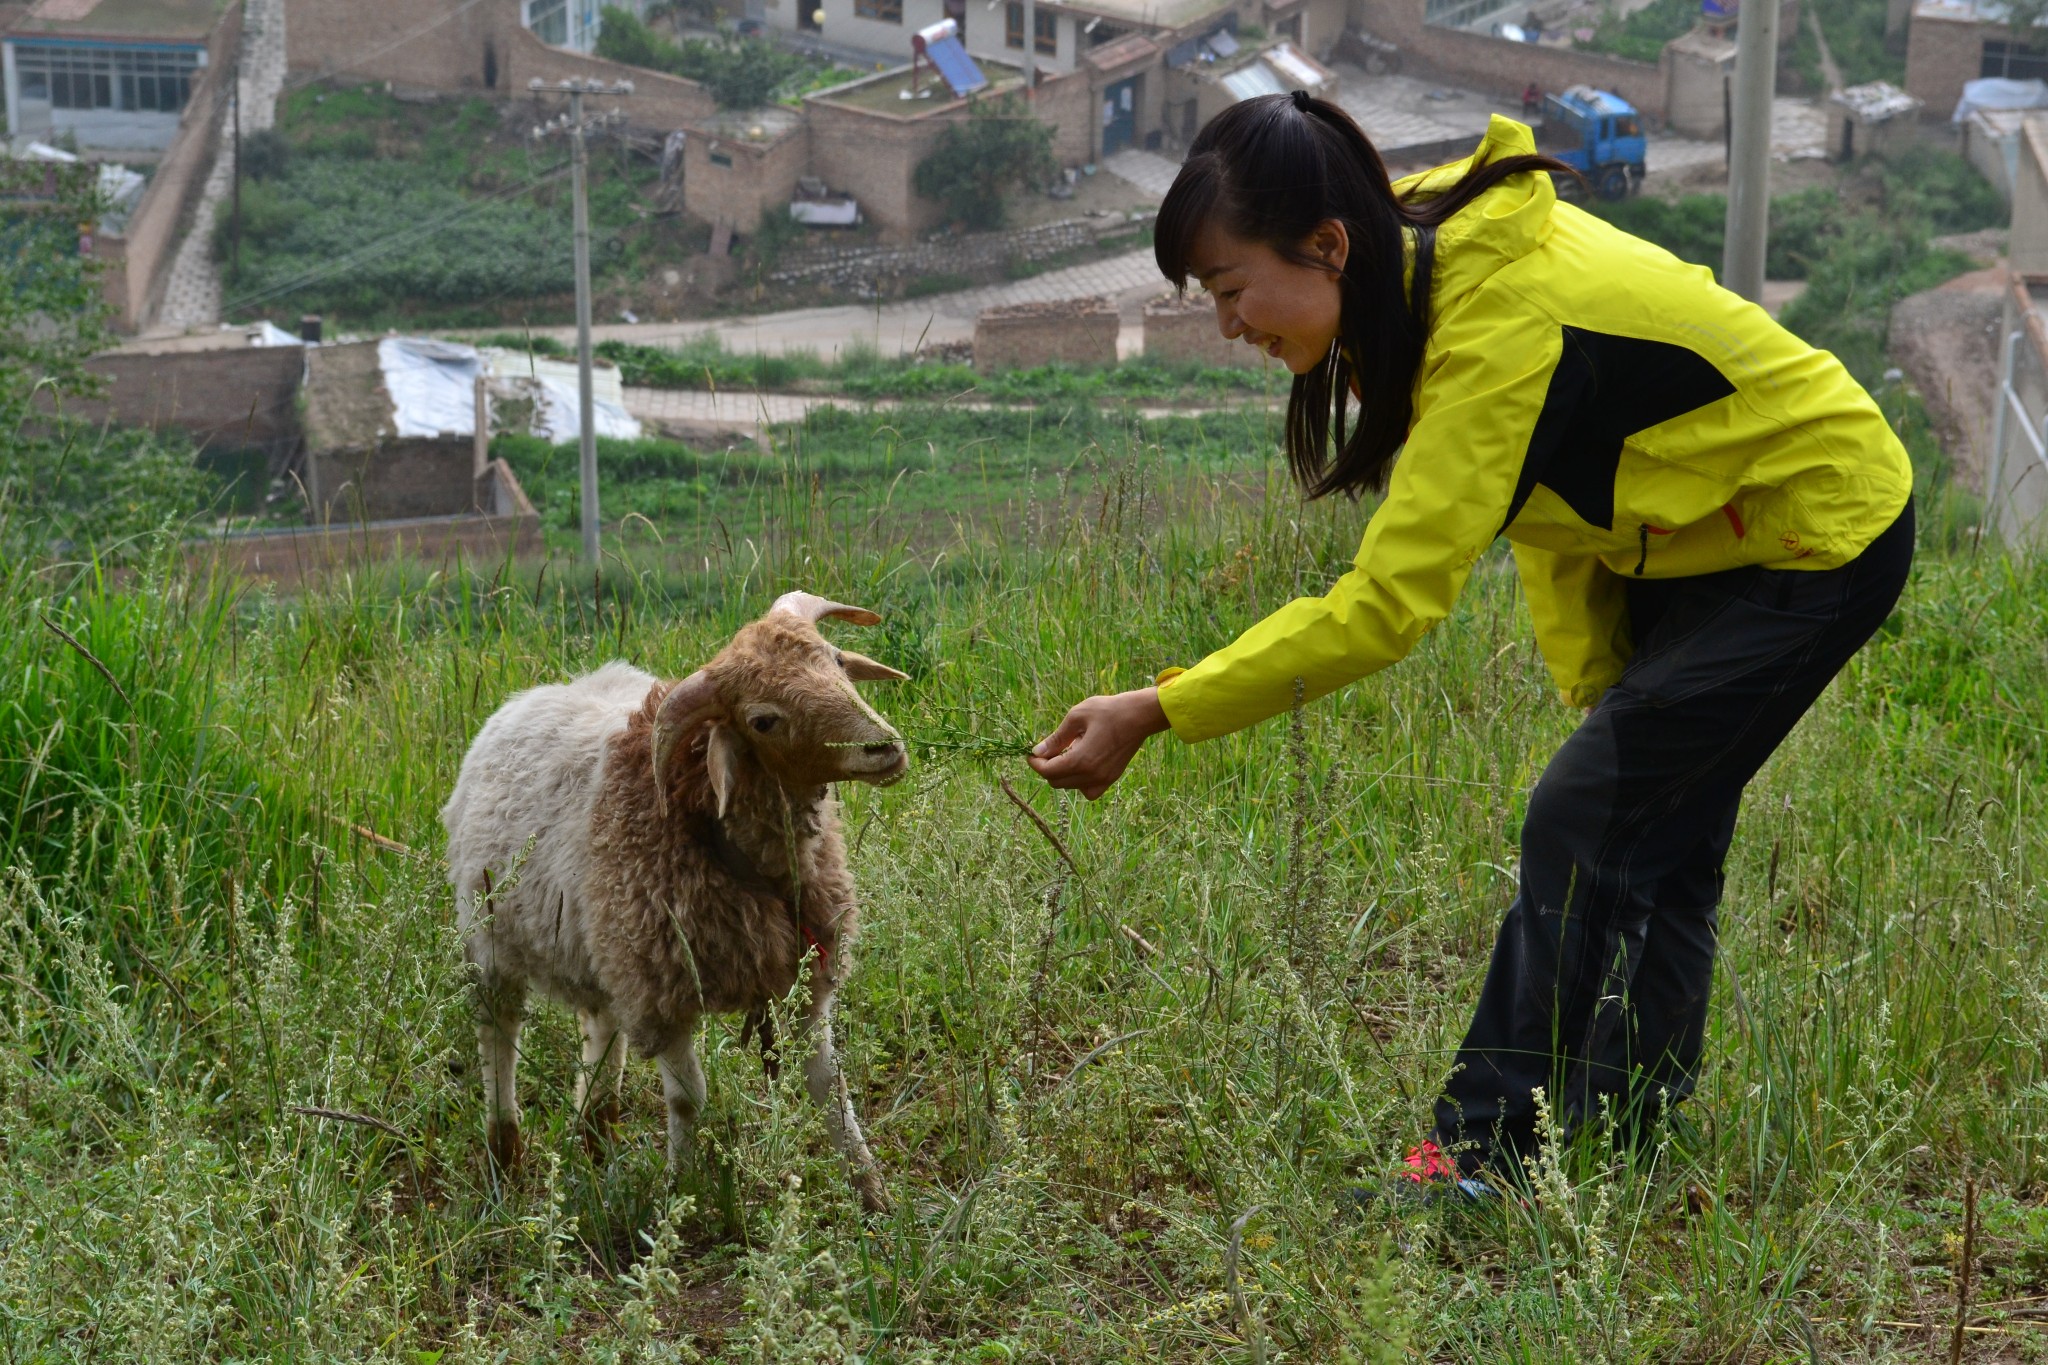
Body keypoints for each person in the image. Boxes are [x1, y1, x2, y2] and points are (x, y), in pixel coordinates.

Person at [1025, 91, 1912, 1194]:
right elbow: (1544, 503)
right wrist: (1606, 684)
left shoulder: (1491, 324)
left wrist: (1159, 708)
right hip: (1693, 537)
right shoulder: (1402, 265)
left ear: (1325, 244)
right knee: (1656, 833)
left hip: (1807, 534)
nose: (1226, 326)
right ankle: (1626, 1121)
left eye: (1229, 289)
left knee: (1586, 816)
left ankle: (1476, 1158)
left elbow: (1382, 608)